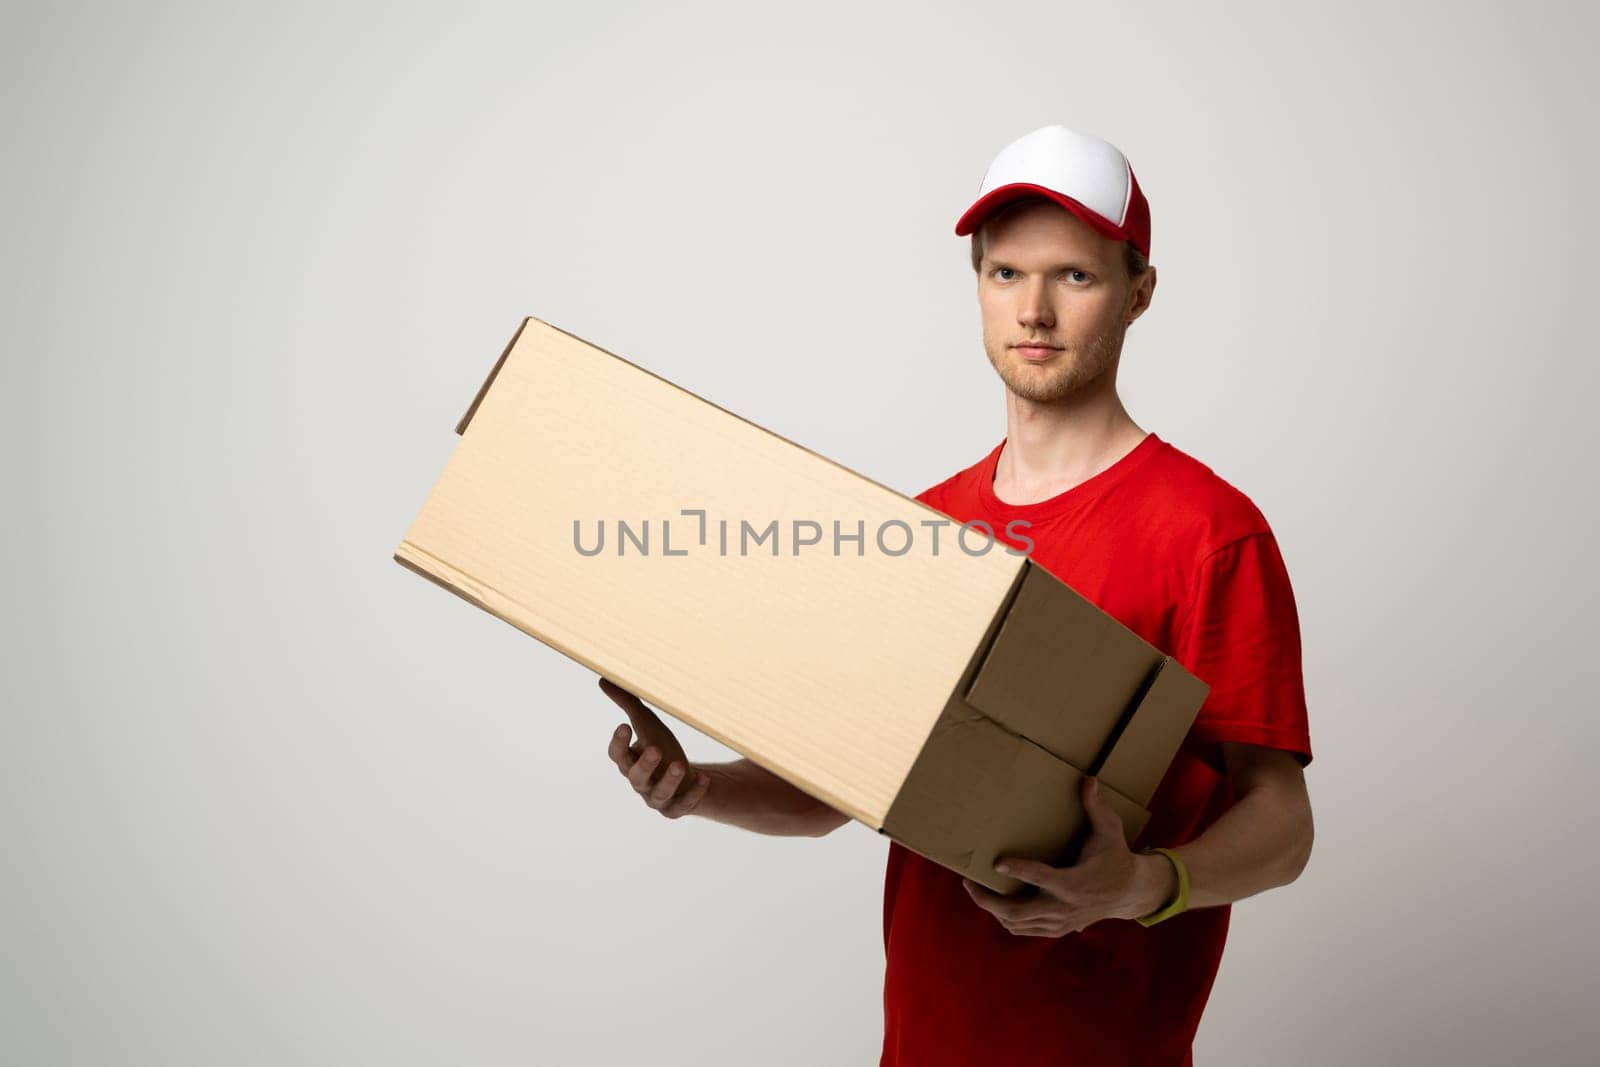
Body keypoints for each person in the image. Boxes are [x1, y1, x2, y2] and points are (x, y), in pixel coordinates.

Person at [597, 124, 1315, 1066]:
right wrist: (699, 789)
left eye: (1076, 276)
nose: (1036, 311)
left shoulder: (1210, 532)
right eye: (1006, 274)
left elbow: (1283, 823)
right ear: (976, 285)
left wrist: (1141, 884)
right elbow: (836, 789)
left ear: (1139, 292)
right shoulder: (924, 529)